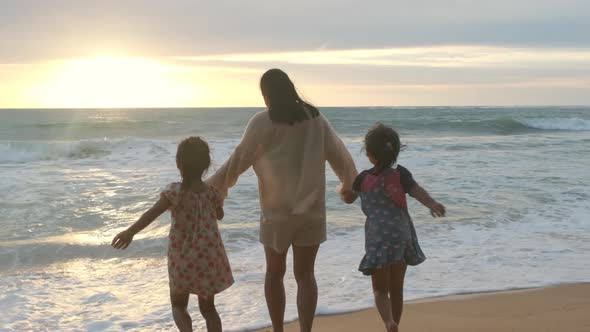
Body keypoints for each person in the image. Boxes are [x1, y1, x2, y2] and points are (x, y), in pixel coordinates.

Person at [207, 68, 357, 332]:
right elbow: (339, 154)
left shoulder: (262, 122)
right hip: (311, 212)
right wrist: (350, 185)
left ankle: (278, 330)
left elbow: (238, 160)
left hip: (276, 213)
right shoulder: (315, 118)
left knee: (274, 274)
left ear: (267, 95)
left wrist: (213, 189)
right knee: (306, 275)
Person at [111, 137, 233, 332]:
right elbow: (220, 215)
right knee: (209, 309)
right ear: (207, 164)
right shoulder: (212, 192)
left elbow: (151, 214)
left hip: (182, 259)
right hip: (209, 258)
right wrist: (216, 203)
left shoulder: (174, 192)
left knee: (178, 305)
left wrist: (130, 232)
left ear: (179, 163)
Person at [341, 123, 445, 332]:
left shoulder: (363, 178)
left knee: (380, 289)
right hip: (401, 234)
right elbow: (417, 191)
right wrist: (432, 204)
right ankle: (396, 323)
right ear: (394, 152)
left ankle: (388, 322)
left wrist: (343, 188)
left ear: (369, 153)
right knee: (397, 287)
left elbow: (349, 198)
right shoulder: (401, 175)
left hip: (377, 237)